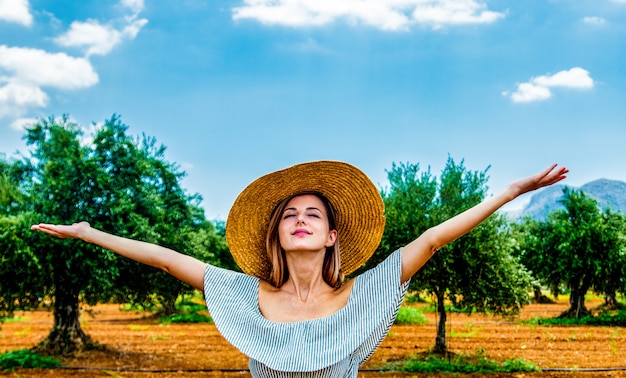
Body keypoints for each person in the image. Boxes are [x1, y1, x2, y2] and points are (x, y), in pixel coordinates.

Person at [31, 160, 568, 377]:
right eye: (290, 215)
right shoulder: (246, 295)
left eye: (314, 213)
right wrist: (89, 234)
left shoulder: (363, 293)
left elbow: (430, 239)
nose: (301, 219)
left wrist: (512, 192)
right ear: (278, 237)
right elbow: (170, 260)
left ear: (333, 236)